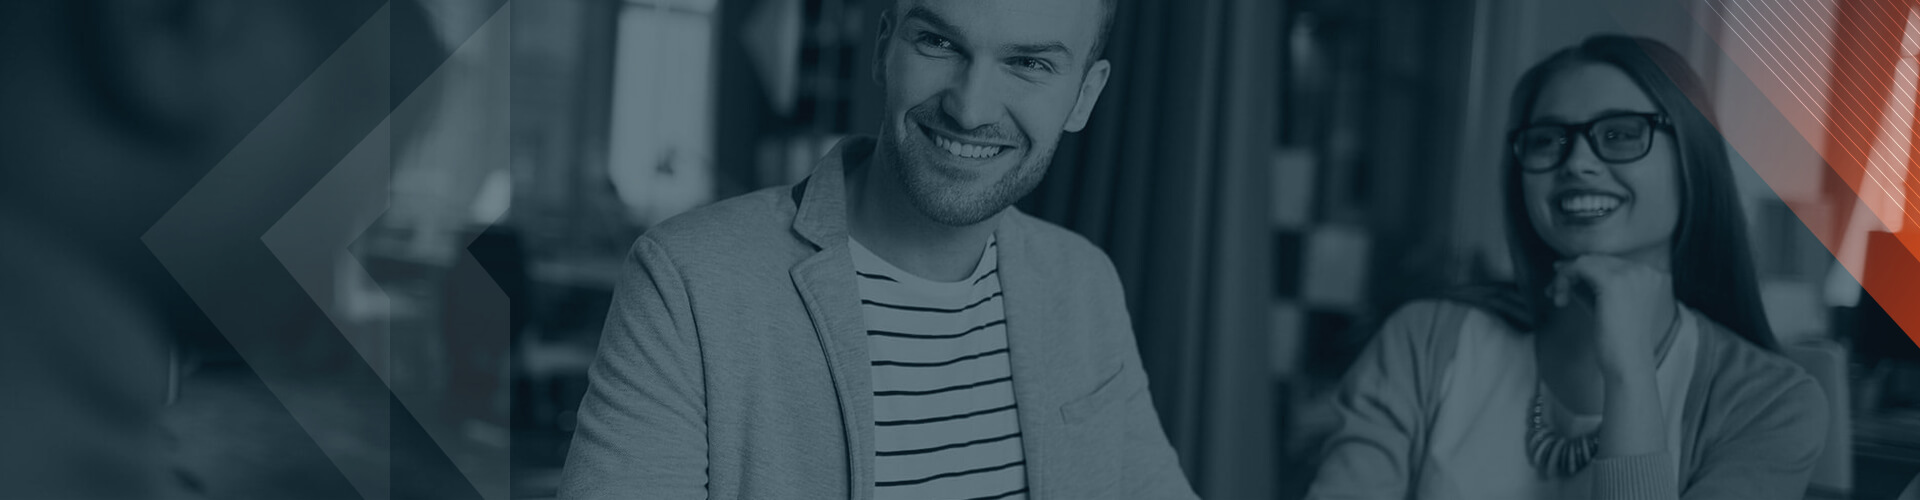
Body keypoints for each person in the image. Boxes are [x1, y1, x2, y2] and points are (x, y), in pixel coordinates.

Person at [558, 0, 1197, 498]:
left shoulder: (1083, 282)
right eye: (939, 43)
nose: (970, 108)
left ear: (1084, 96)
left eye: (1029, 64)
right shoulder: (686, 281)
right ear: (884, 47)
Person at [1306, 35, 1828, 500]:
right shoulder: (1421, 342)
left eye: (1621, 134)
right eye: (1547, 140)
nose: (1576, 162)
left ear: (1694, 159)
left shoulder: (1773, 403)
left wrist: (1629, 370)